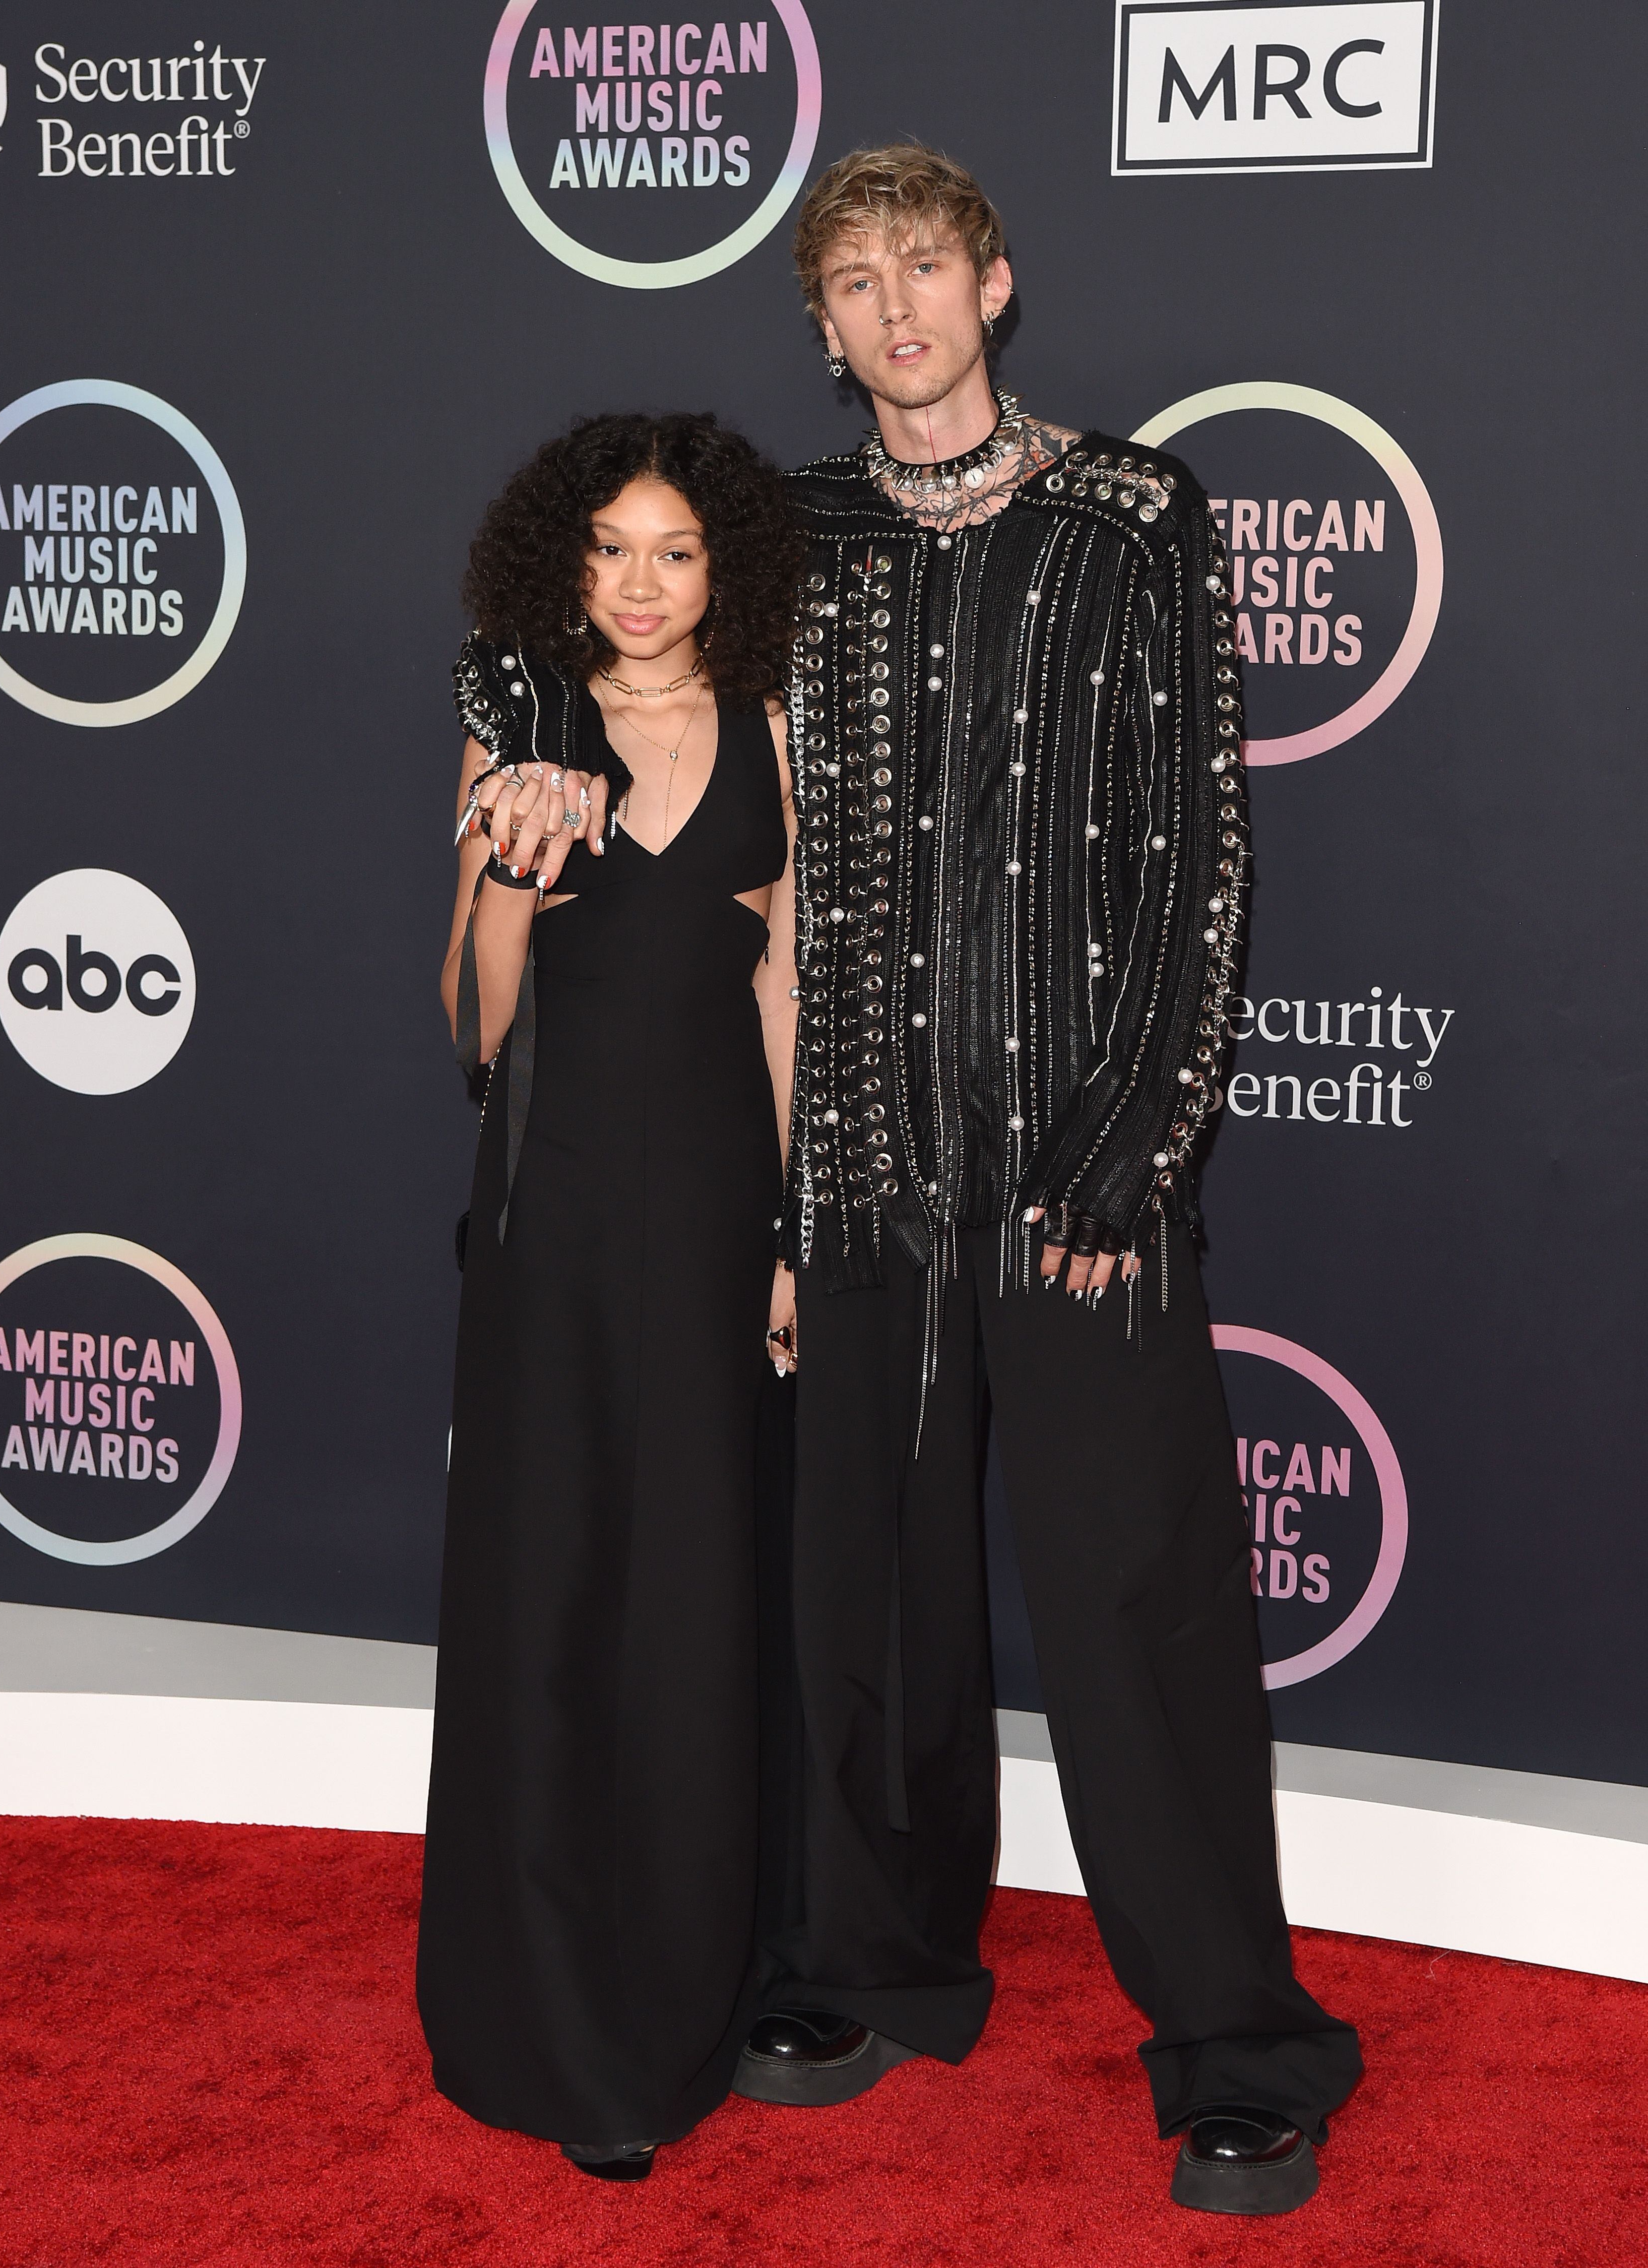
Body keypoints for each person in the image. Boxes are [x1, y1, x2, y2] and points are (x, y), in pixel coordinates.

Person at [731, 145, 1362, 2218]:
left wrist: (1135, 1139)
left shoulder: (1134, 516)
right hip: (861, 1173)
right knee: (859, 1606)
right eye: (854, 280)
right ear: (818, 326)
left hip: (1078, 1178)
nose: (896, 306)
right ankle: (867, 1960)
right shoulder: (788, 533)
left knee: (1138, 1613)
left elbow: (1196, 854)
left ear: (993, 286)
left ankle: (1236, 2046)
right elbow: (649, 717)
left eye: (925, 265)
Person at [416, 412, 803, 2182]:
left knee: (697, 1598)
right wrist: (509, 873)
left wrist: (794, 1228)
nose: (639, 588)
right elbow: (473, 1028)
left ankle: (680, 1997)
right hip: (553, 1218)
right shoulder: (522, 730)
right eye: (608, 553)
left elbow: (785, 984)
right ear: (560, 569)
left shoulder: (772, 734)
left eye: (674, 552)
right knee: (551, 1587)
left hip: (719, 1212)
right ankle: (544, 2014)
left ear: (722, 567)